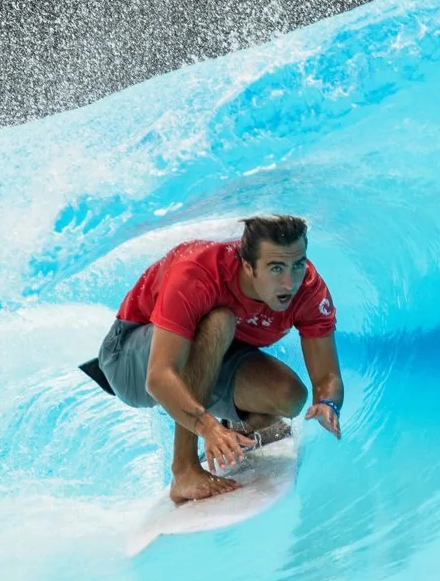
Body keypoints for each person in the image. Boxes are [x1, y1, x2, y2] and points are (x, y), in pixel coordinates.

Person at [80, 214, 345, 504]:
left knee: (289, 397)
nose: (289, 281)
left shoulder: (307, 288)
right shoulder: (199, 272)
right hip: (129, 361)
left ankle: (235, 429)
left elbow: (326, 378)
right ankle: (184, 470)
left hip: (206, 357)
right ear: (248, 266)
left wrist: (328, 403)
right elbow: (159, 375)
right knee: (220, 321)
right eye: (275, 268)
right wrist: (208, 427)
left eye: (297, 265)